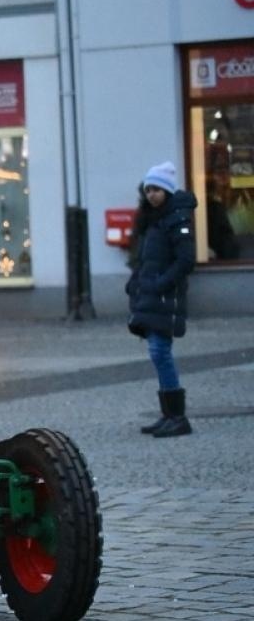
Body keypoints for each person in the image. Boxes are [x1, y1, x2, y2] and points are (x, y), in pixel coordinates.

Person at [127, 161, 197, 438]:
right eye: (148, 190)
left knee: (160, 352)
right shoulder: (151, 221)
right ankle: (169, 414)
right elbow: (144, 259)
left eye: (156, 189)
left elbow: (185, 260)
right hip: (151, 295)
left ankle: (177, 417)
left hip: (165, 297)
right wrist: (135, 284)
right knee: (158, 353)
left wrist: (160, 283)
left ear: (167, 190)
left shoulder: (177, 218)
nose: (152, 195)